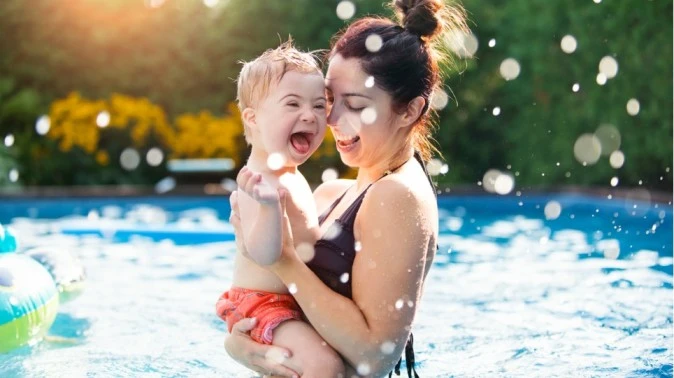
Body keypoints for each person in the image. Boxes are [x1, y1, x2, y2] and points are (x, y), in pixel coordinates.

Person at [226, 0, 468, 376]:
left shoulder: (396, 196)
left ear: (409, 111)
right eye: (329, 100)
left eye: (354, 104)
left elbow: (376, 357)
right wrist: (244, 343)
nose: (332, 119)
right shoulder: (332, 194)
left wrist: (284, 260)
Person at [215, 41, 346, 377]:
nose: (310, 115)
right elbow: (262, 252)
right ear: (253, 118)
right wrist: (270, 207)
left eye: (319, 105)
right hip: (262, 304)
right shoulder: (257, 181)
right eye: (293, 104)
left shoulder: (290, 173)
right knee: (324, 366)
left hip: (292, 303)